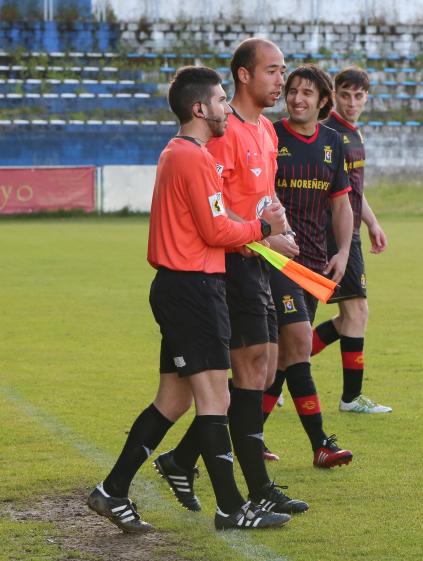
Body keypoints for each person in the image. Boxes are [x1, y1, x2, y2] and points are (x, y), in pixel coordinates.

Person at [87, 66, 292, 532]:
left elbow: (213, 221)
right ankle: (231, 507)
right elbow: (216, 229)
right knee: (215, 396)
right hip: (194, 288)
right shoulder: (193, 158)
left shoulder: (181, 154)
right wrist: (266, 229)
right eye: (220, 100)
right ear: (200, 108)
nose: (225, 108)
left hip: (183, 287)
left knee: (172, 401)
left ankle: (112, 490)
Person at [151, 39, 308, 516]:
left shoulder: (266, 130)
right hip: (231, 261)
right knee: (243, 375)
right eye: (273, 71)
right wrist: (264, 235)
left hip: (259, 257)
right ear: (244, 75)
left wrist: (280, 223)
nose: (282, 80)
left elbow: (262, 195)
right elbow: (216, 214)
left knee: (261, 368)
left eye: (283, 71)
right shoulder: (219, 135)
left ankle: (186, 461)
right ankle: (251, 489)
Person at [260, 64, 356, 468]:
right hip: (276, 259)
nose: (297, 98)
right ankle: (321, 443)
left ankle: (240, 436)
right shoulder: (269, 135)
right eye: (292, 91)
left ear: (322, 101)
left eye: (306, 93)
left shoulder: (334, 142)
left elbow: (340, 203)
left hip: (316, 263)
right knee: (299, 343)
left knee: (283, 360)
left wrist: (344, 251)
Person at [311, 66, 392, 414]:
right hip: (332, 232)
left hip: (351, 231)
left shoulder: (354, 134)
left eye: (359, 96)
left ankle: (277, 372)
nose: (352, 102)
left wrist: (372, 223)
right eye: (345, 95)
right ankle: (350, 398)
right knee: (356, 313)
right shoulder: (327, 132)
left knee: (349, 319)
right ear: (334, 96)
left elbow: (353, 190)